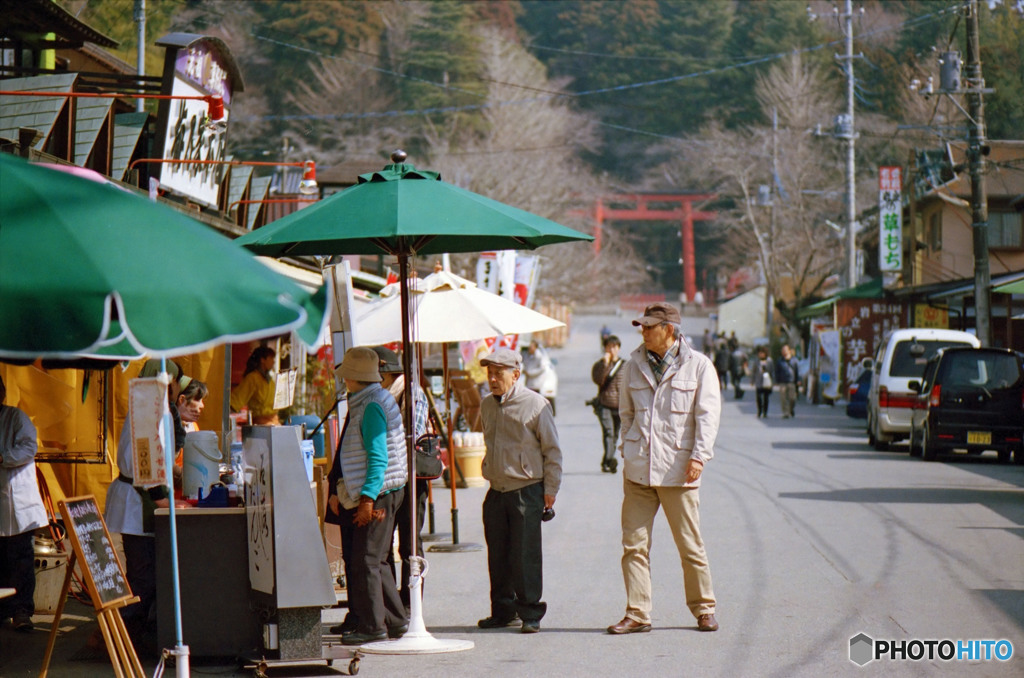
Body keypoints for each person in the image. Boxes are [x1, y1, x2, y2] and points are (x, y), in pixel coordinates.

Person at [607, 302, 720, 635]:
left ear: (669, 330)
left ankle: (704, 608)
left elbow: (707, 418)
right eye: (641, 326)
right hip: (639, 470)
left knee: (689, 544)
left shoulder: (698, 366)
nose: (642, 332)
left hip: (678, 470)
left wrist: (699, 456)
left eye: (648, 327)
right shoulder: (632, 365)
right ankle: (638, 613)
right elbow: (625, 414)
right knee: (634, 546)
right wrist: (627, 448)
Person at [104, 360, 189, 652]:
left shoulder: (154, 406)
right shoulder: (147, 406)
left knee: (147, 575)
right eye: (177, 381)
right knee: (143, 578)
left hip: (142, 502)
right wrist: (162, 497)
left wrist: (173, 477)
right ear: (168, 382)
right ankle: (118, 639)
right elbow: (145, 459)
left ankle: (129, 638)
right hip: (135, 505)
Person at [327, 347, 408, 646]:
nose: (344, 379)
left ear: (353, 377)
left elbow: (378, 457)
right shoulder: (374, 399)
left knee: (367, 560)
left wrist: (367, 499)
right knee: (377, 560)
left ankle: (374, 626)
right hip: (386, 490)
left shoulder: (371, 404)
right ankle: (396, 621)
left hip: (380, 492)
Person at [477, 348, 561, 634]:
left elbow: (552, 451)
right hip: (496, 490)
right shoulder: (487, 405)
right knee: (497, 554)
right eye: (489, 373)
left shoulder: (536, 405)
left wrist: (550, 489)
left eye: (498, 373)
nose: (492, 379)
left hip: (526, 490)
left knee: (525, 555)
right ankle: (502, 610)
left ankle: (530, 613)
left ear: (515, 374)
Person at [372, 346, 429, 616]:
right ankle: (392, 604)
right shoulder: (386, 394)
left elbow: (411, 435)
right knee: (385, 544)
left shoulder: (411, 392)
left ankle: (410, 602)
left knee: (408, 543)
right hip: (394, 476)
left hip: (411, 478)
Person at [0, 373, 48, 633]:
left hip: (17, 503)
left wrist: (3, 457)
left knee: (20, 557)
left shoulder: (16, 417)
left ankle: (22, 610)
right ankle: (4, 610)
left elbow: (29, 448)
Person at [591, 335, 626, 473]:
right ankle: (610, 460)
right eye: (609, 347)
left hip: (620, 405)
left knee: (615, 434)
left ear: (618, 348)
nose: (611, 350)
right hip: (605, 404)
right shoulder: (599, 365)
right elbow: (598, 380)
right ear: (604, 348)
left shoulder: (625, 365)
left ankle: (607, 460)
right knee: (608, 432)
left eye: (614, 347)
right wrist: (605, 364)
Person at [230, 346, 279, 425]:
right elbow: (236, 400)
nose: (273, 362)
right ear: (263, 360)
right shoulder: (252, 378)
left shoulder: (270, 381)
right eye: (271, 358)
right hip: (261, 424)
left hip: (274, 421)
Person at [521, 339, 558, 415]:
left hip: (537, 381)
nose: (530, 349)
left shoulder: (540, 356)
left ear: (535, 347)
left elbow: (542, 368)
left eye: (531, 347)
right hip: (529, 382)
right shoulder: (527, 355)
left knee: (537, 398)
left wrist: (530, 373)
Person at [775, 344, 800, 419]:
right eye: (783, 350)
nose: (784, 352)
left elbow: (797, 371)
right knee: (783, 398)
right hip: (782, 382)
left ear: (789, 351)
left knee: (792, 398)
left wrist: (798, 380)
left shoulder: (794, 360)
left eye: (786, 350)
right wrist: (776, 380)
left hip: (791, 381)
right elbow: (777, 372)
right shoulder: (779, 361)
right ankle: (785, 412)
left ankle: (791, 409)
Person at [752, 346, 775, 419]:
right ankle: (759, 411)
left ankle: (765, 412)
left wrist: (773, 382)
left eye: (762, 353)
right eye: (759, 353)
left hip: (767, 382)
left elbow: (772, 371)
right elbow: (754, 371)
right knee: (758, 397)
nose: (760, 355)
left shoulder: (769, 361)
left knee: (766, 398)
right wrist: (752, 380)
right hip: (759, 381)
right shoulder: (756, 361)